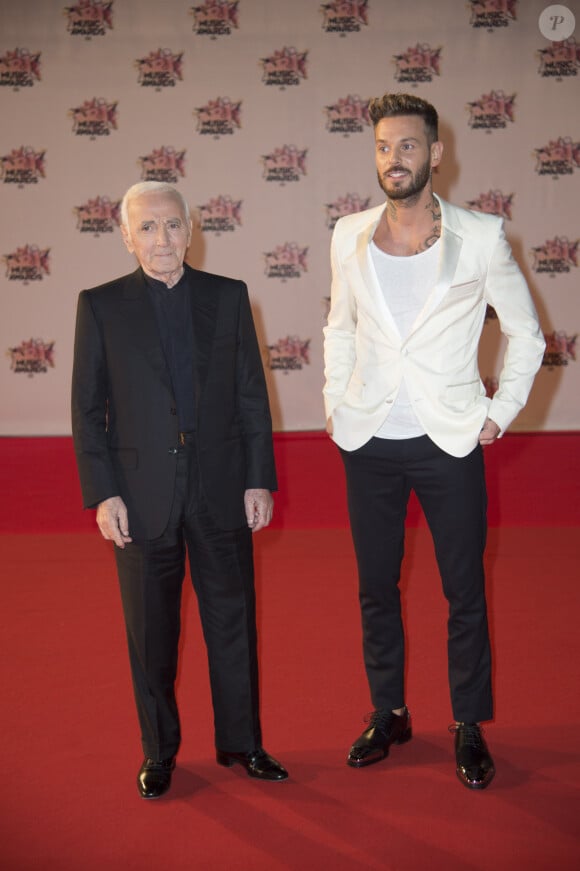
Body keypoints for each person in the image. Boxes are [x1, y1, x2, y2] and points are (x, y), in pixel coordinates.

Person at [323, 93, 545, 790]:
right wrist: (334, 403)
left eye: (409, 146)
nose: (395, 159)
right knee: (374, 586)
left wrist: (501, 410)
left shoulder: (479, 236)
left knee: (463, 590)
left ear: (436, 155)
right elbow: (337, 327)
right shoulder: (348, 234)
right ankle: (389, 710)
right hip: (370, 439)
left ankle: (468, 722)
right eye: (385, 147)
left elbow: (526, 333)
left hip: (449, 441)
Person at [71, 181, 288, 798]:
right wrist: (103, 493)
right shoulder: (100, 306)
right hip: (141, 493)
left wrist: (258, 477)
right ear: (126, 235)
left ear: (191, 230)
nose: (161, 239)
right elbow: (88, 411)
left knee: (233, 623)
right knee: (152, 633)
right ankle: (159, 751)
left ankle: (242, 744)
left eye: (171, 226)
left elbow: (252, 395)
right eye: (147, 228)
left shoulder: (228, 297)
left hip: (220, 485)